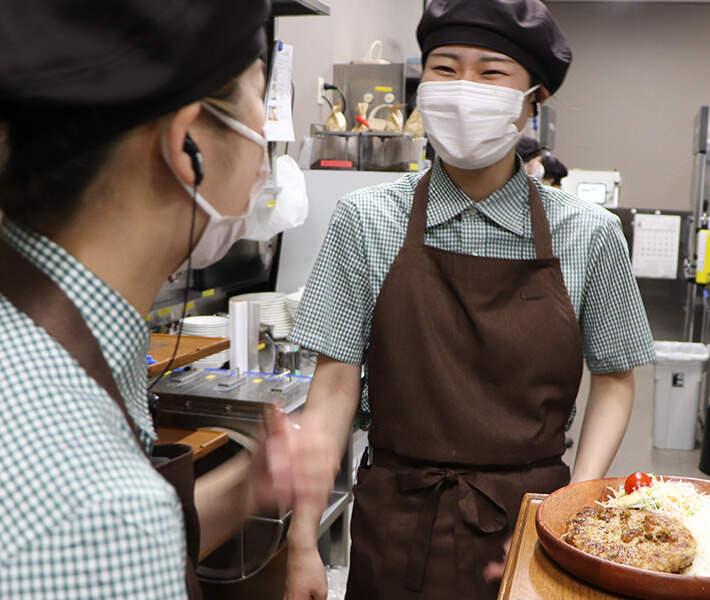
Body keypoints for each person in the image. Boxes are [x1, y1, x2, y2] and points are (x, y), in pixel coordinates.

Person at [286, 1, 655, 599]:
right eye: (445, 68)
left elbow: (615, 379)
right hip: (395, 523)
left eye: (490, 72)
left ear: (533, 100)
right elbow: (332, 387)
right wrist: (302, 538)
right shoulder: (367, 219)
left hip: (529, 524)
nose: (463, 90)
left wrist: (567, 516)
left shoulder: (588, 233)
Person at [0, 1, 335, 598]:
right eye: (261, 96)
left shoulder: (54, 337)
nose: (265, 141)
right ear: (187, 147)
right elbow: (105, 533)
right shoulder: (103, 507)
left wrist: (247, 488)